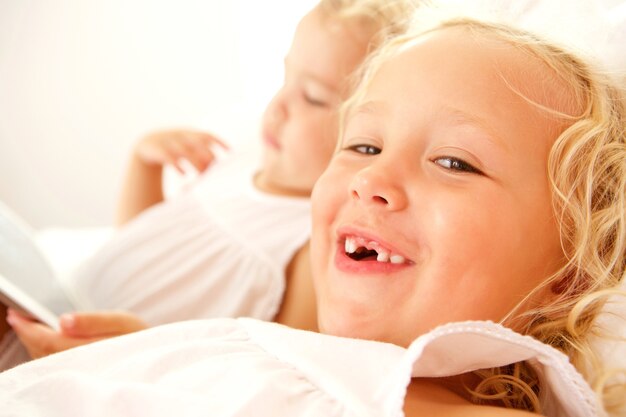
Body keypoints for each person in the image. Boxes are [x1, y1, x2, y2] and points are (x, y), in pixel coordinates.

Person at [2, 1, 626, 416]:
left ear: (569, 275)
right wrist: (148, 357)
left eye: (455, 162)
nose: (371, 179)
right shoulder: (251, 345)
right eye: (362, 144)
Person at [0, 0, 414, 365]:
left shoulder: (310, 244)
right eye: (284, 78)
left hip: (98, 359)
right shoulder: (243, 157)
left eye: (311, 96)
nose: (278, 106)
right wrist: (143, 164)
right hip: (57, 306)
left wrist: (134, 353)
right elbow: (143, 244)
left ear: (369, 138)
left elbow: (263, 374)